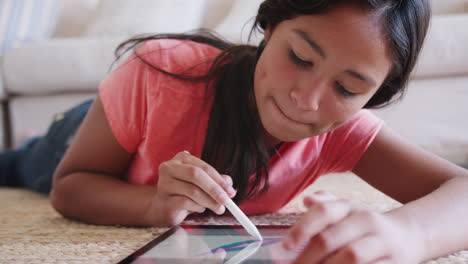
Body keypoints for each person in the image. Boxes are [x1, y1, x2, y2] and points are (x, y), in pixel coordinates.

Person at [1, 0, 468, 262]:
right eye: (300, 58)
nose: (305, 99)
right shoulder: (159, 73)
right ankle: (31, 142)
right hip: (87, 131)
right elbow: (70, 188)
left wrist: (409, 235)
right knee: (24, 165)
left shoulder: (342, 131)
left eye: (347, 88)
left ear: (374, 95)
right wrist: (151, 204)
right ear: (269, 26)